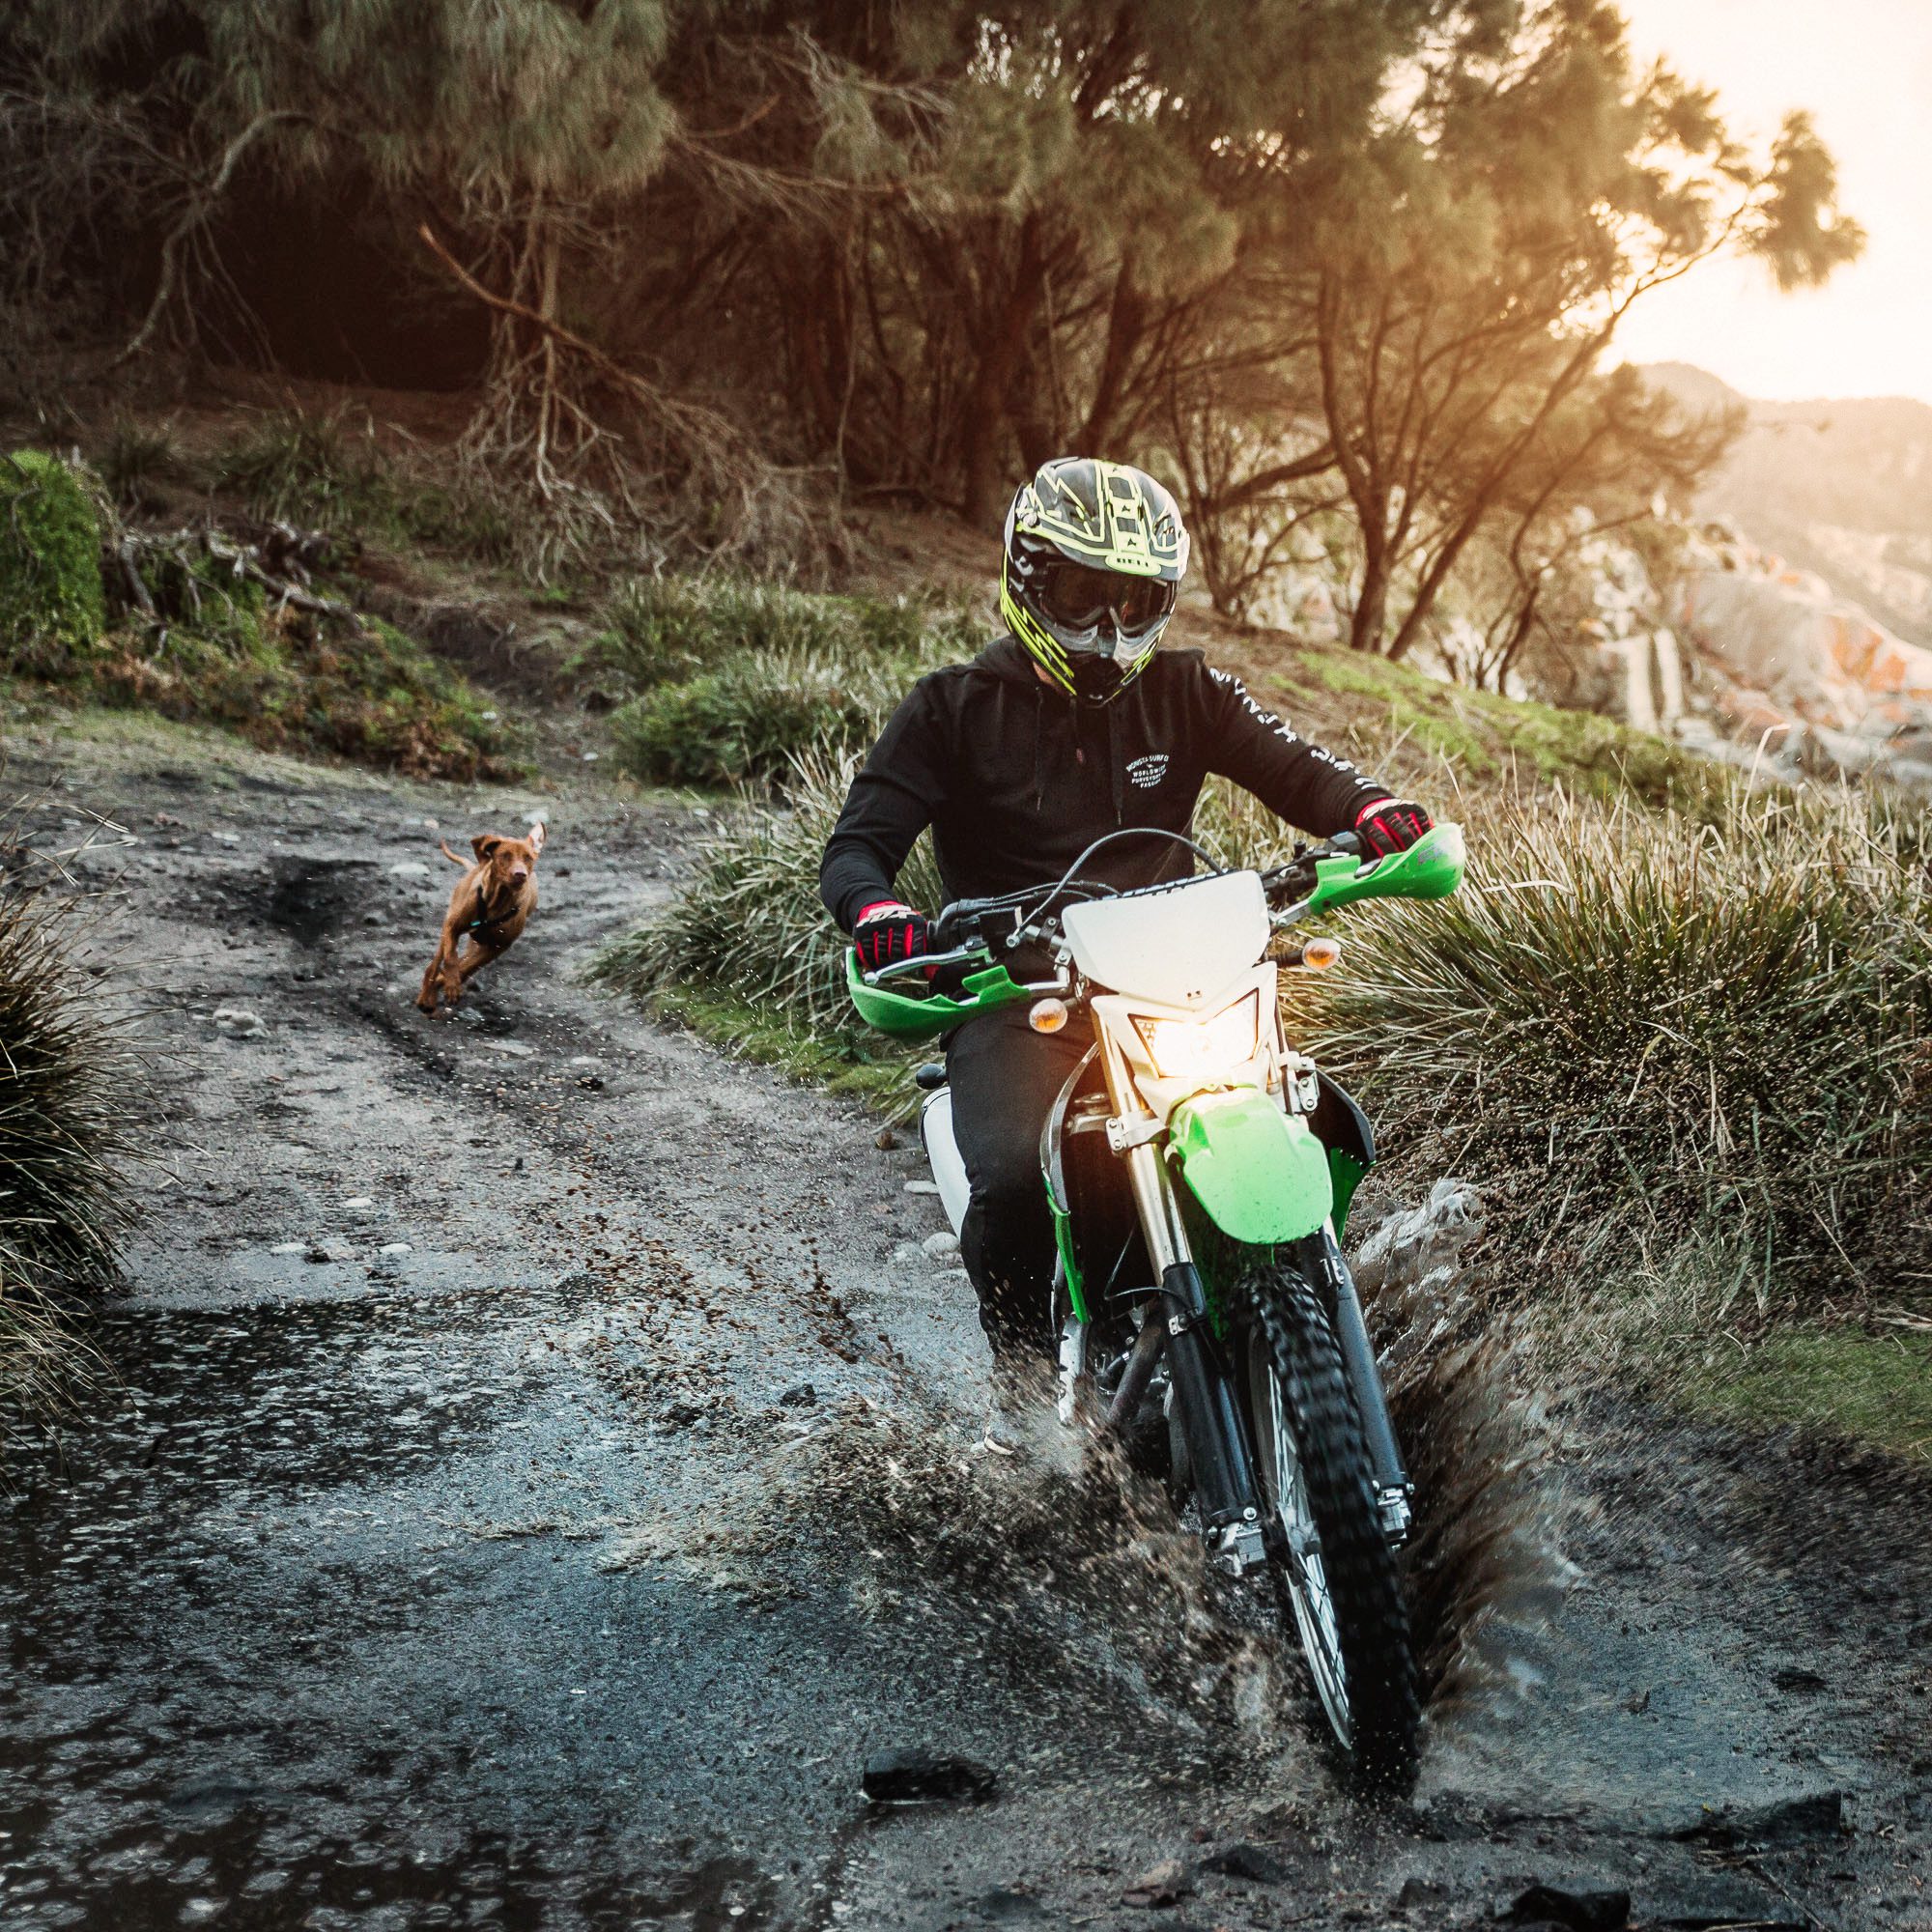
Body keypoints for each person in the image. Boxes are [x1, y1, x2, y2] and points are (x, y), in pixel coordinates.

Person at [819, 456, 1433, 1386]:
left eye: (1136, 602)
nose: (1109, 628)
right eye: (1082, 593)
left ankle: (1295, 1298)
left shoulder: (1187, 691)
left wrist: (1372, 810)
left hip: (1179, 980)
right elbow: (858, 848)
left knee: (1324, 1122)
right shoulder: (949, 710)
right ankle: (1028, 1395)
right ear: (1029, 581)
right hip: (1019, 991)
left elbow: (1298, 768)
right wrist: (884, 914)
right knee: (1020, 1183)